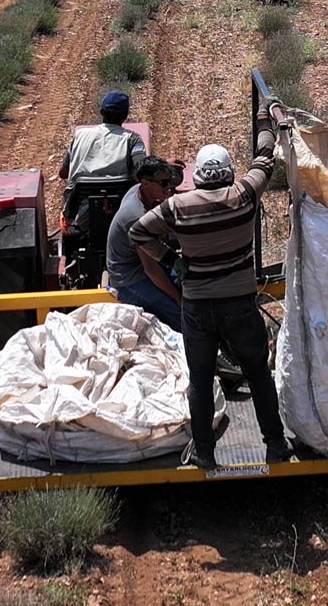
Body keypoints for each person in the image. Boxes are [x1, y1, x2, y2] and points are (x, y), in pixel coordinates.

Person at [127, 130, 291, 468]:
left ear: (197, 176)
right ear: (229, 173)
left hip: (198, 307)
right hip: (239, 305)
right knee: (258, 375)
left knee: (200, 382)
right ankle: (275, 446)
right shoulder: (245, 195)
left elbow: (138, 232)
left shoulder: (177, 207)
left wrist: (172, 259)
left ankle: (204, 453)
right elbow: (265, 159)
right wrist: (265, 124)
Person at [58, 90, 148, 287]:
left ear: (101, 111)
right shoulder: (132, 140)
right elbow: (143, 170)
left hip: (81, 217)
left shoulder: (80, 137)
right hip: (123, 217)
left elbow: (63, 172)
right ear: (126, 115)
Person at [103, 156, 183, 329]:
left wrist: (164, 166)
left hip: (142, 263)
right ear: (146, 183)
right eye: (163, 183)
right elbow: (151, 270)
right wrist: (178, 299)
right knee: (180, 313)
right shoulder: (137, 218)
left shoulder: (137, 190)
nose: (168, 187)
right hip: (129, 278)